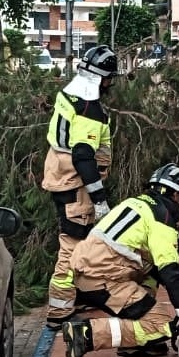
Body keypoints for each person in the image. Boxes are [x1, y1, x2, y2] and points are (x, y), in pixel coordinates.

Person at [61, 164, 179, 357]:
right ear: (175, 195)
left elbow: (155, 269)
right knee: (160, 324)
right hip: (103, 279)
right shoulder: (161, 218)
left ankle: (136, 343)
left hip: (89, 271)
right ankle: (86, 334)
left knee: (151, 272)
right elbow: (171, 273)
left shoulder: (135, 203)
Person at [39, 43, 116, 328]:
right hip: (76, 184)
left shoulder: (70, 95)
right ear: (103, 78)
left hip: (60, 176)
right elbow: (83, 156)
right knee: (72, 247)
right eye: (109, 79)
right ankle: (59, 311)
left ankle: (75, 295)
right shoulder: (89, 110)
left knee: (80, 242)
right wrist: (99, 199)